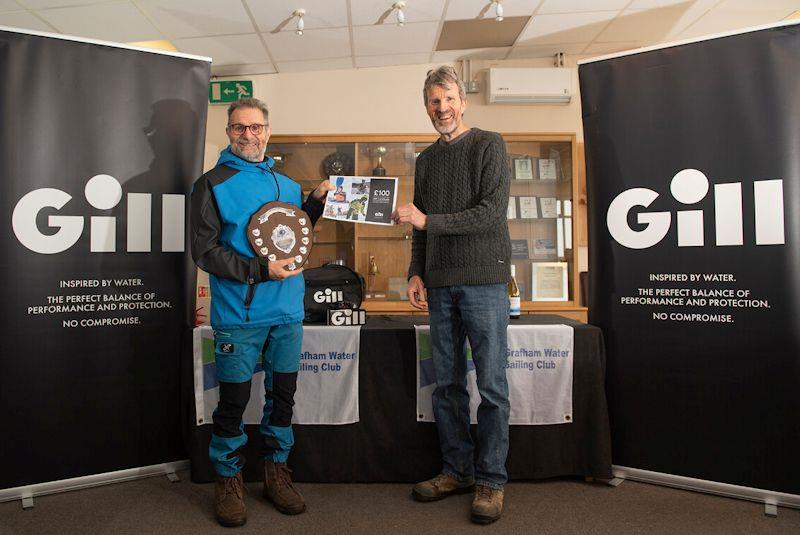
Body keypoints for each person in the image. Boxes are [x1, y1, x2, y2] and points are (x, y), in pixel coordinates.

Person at [191, 97, 333, 527]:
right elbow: (205, 251)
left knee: (282, 401)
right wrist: (259, 270)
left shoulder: (286, 184)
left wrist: (316, 202)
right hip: (239, 316)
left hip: (288, 313)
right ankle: (228, 478)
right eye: (239, 128)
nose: (248, 135)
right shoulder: (211, 184)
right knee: (233, 403)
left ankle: (276, 472)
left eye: (256, 127)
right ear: (229, 132)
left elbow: (293, 233)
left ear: (268, 131)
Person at [391, 66, 512, 525]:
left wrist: (428, 222)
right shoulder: (425, 161)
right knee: (447, 385)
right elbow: (421, 224)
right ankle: (457, 470)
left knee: (493, 386)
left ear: (463, 101)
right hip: (438, 284)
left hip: (484, 280)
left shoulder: (489, 144)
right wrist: (416, 272)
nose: (441, 109)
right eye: (433, 102)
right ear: (427, 107)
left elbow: (489, 213)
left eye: (448, 99)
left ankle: (491, 480)